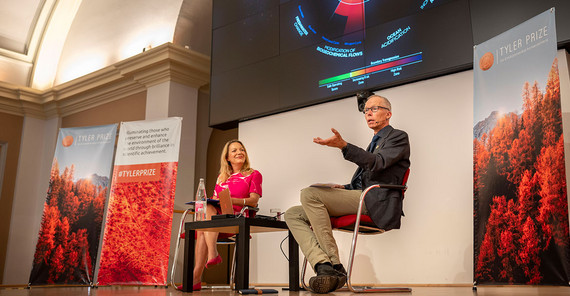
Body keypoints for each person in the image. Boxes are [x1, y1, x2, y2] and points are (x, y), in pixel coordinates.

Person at [284, 94, 410, 293]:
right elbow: (368, 174)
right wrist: (345, 188)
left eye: (374, 108)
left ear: (388, 114)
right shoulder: (375, 141)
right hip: (362, 195)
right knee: (293, 214)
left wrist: (344, 146)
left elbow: (378, 163)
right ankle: (322, 265)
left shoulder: (397, 137)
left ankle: (333, 266)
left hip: (377, 201)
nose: (368, 113)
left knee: (309, 194)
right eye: (366, 110)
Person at [192, 139, 263, 290]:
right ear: (227, 158)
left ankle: (196, 277)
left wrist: (231, 200)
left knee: (203, 228)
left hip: (238, 218)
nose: (239, 152)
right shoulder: (222, 177)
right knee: (208, 207)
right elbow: (215, 200)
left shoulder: (253, 174)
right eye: (234, 150)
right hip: (219, 217)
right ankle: (210, 257)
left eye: (241, 149)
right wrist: (217, 201)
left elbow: (254, 201)